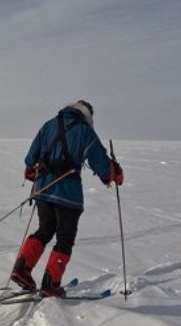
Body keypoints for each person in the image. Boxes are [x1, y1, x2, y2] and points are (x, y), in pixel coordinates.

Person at [11, 100, 124, 297]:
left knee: (45, 229)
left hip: (43, 189)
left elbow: (31, 159)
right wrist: (114, 174)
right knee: (65, 238)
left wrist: (31, 171)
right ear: (87, 115)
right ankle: (51, 284)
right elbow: (101, 163)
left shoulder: (48, 125)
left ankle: (21, 270)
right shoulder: (84, 131)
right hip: (68, 195)